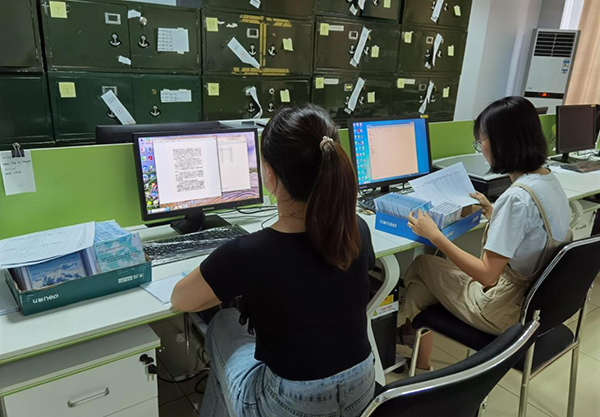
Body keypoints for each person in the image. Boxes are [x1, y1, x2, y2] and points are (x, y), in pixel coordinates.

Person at [171, 104, 376, 417]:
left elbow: (181, 300)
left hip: (290, 405)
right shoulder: (356, 229)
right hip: (363, 390)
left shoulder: (249, 253)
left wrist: (227, 282)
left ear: (268, 172)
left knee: (224, 323)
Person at [399, 96, 572, 371]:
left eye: (481, 140)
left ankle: (406, 338)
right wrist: (494, 213)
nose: (481, 148)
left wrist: (435, 236)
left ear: (502, 142)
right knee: (423, 286)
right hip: (539, 304)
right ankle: (415, 350)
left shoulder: (516, 199)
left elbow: (487, 275)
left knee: (422, 264)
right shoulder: (547, 180)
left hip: (505, 309)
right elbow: (534, 234)